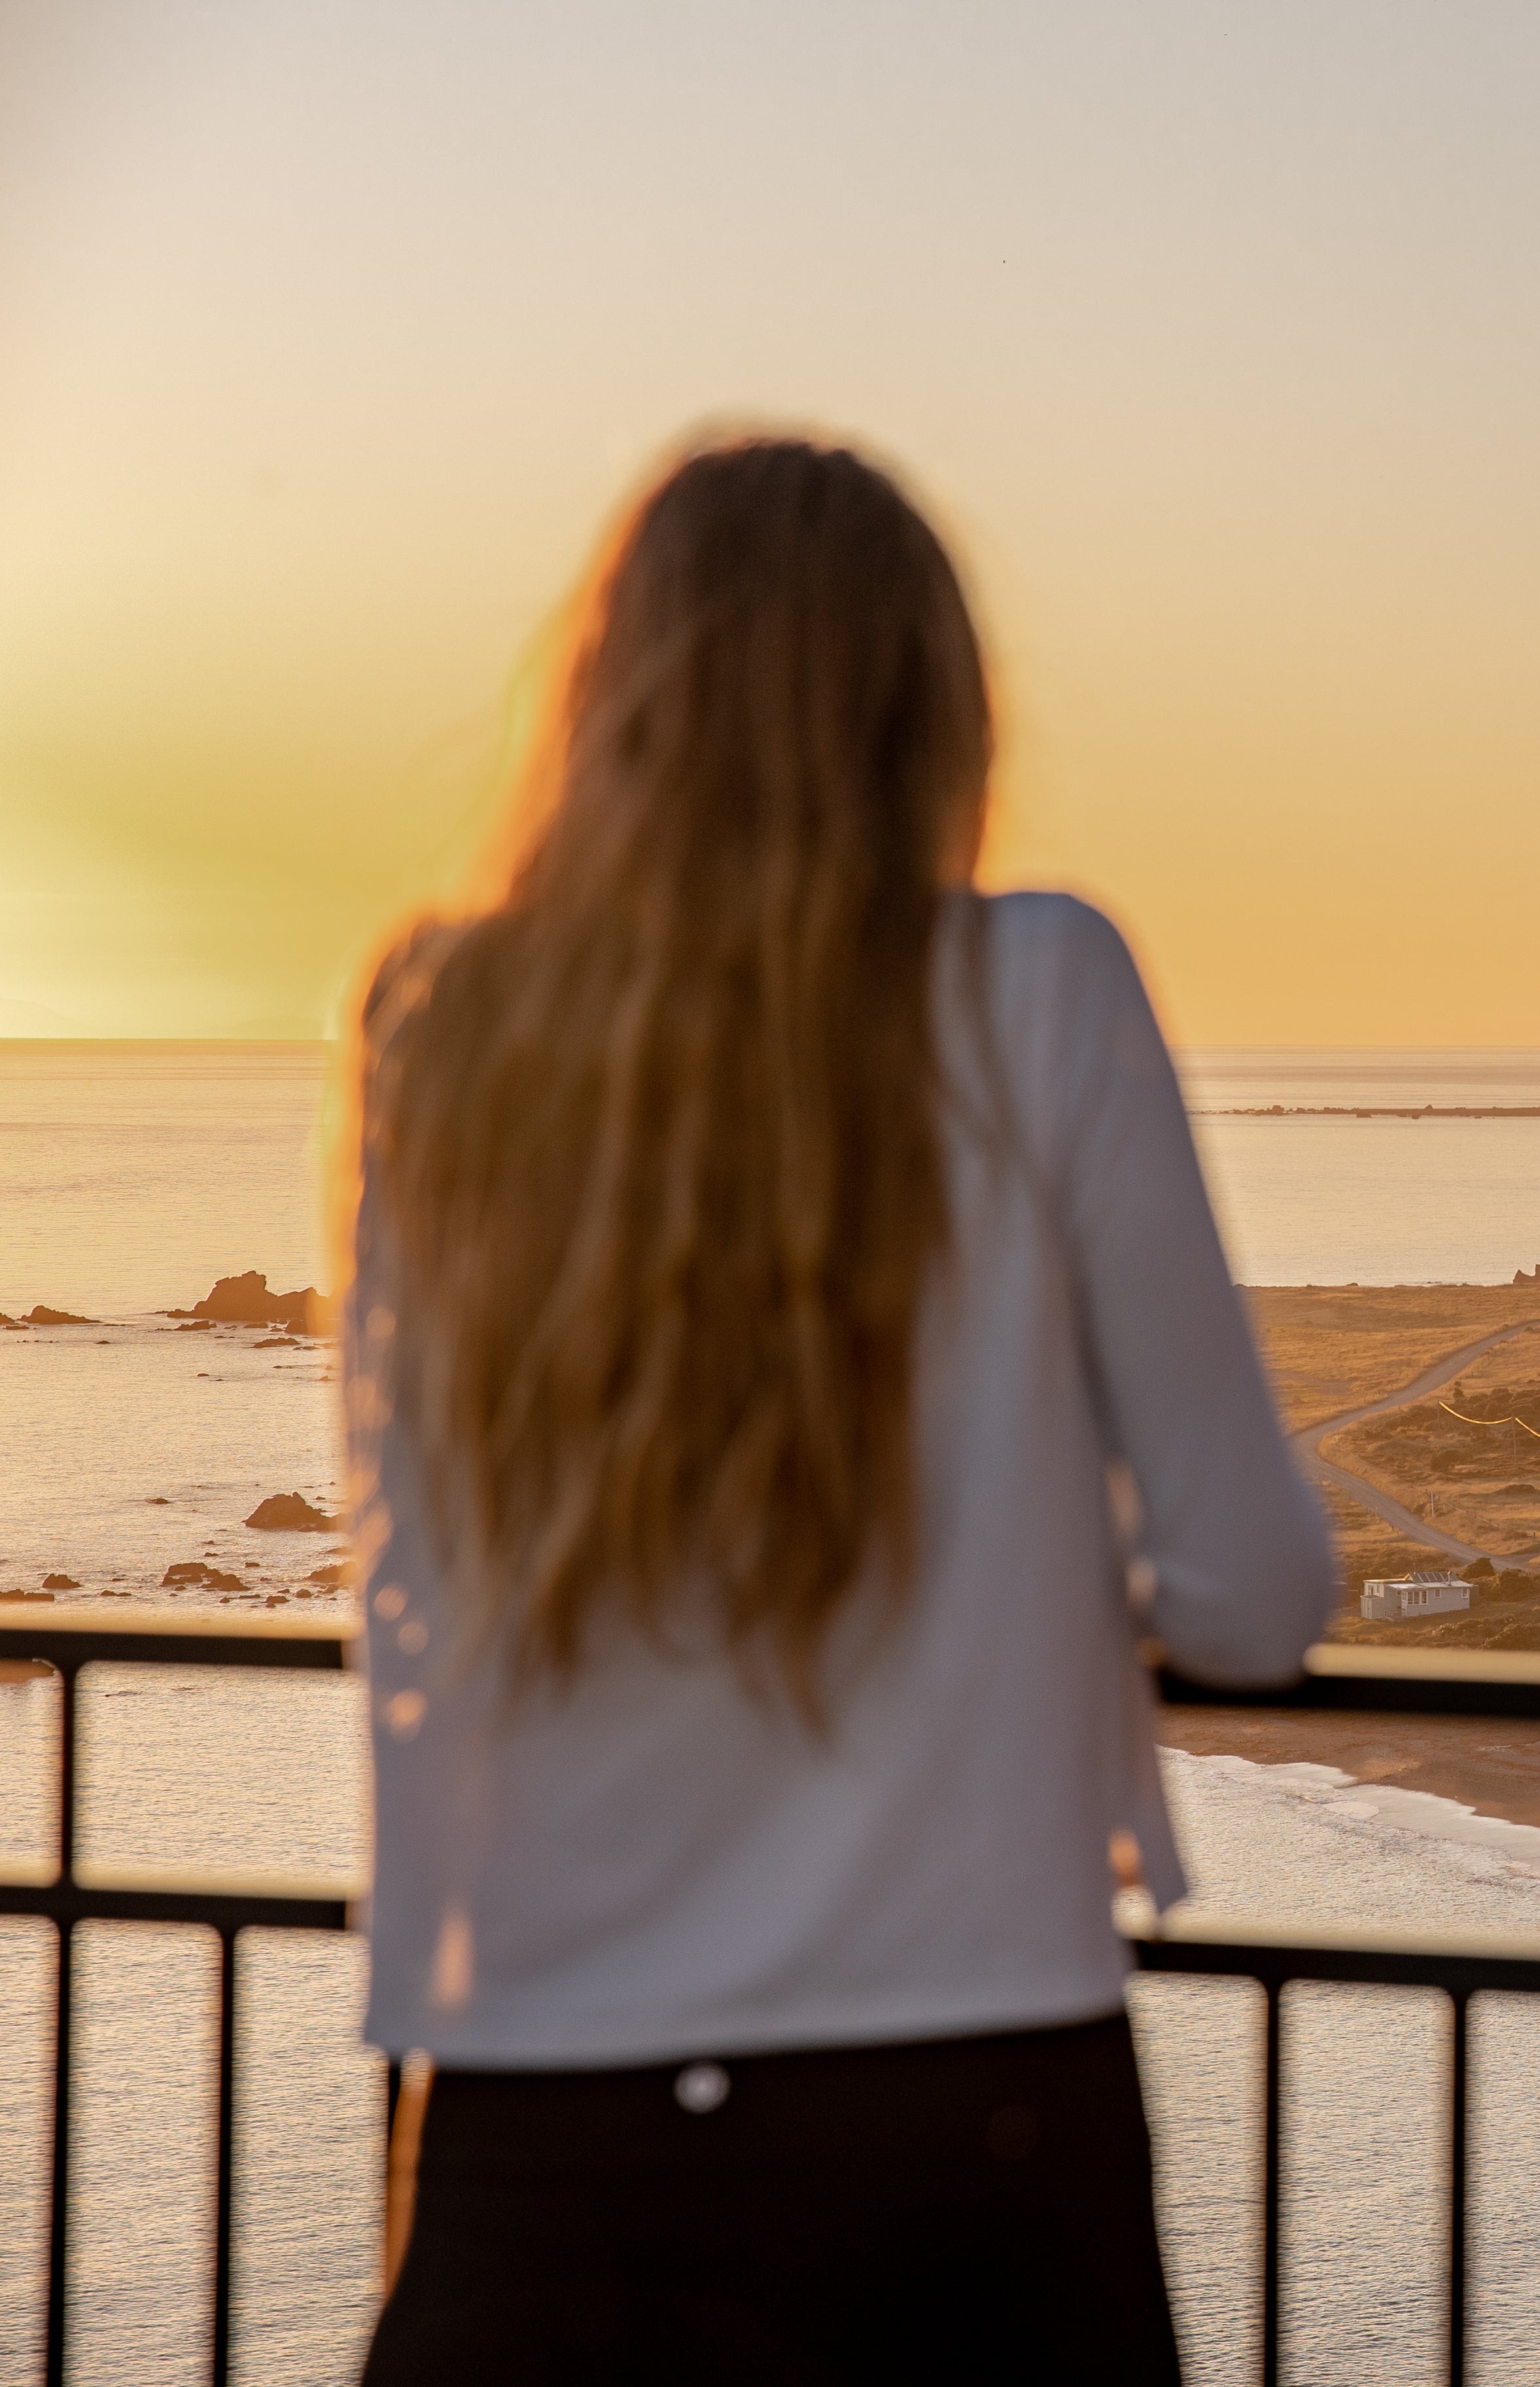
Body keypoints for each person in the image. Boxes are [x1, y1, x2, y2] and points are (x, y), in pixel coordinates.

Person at [347, 434, 1329, 2381]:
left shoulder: (444, 1028)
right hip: (961, 2130)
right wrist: (1033, 1575)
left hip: (538, 2130)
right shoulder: (1039, 990)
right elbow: (1252, 1595)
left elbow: (416, 1543)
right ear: (931, 715)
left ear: (614, 712)